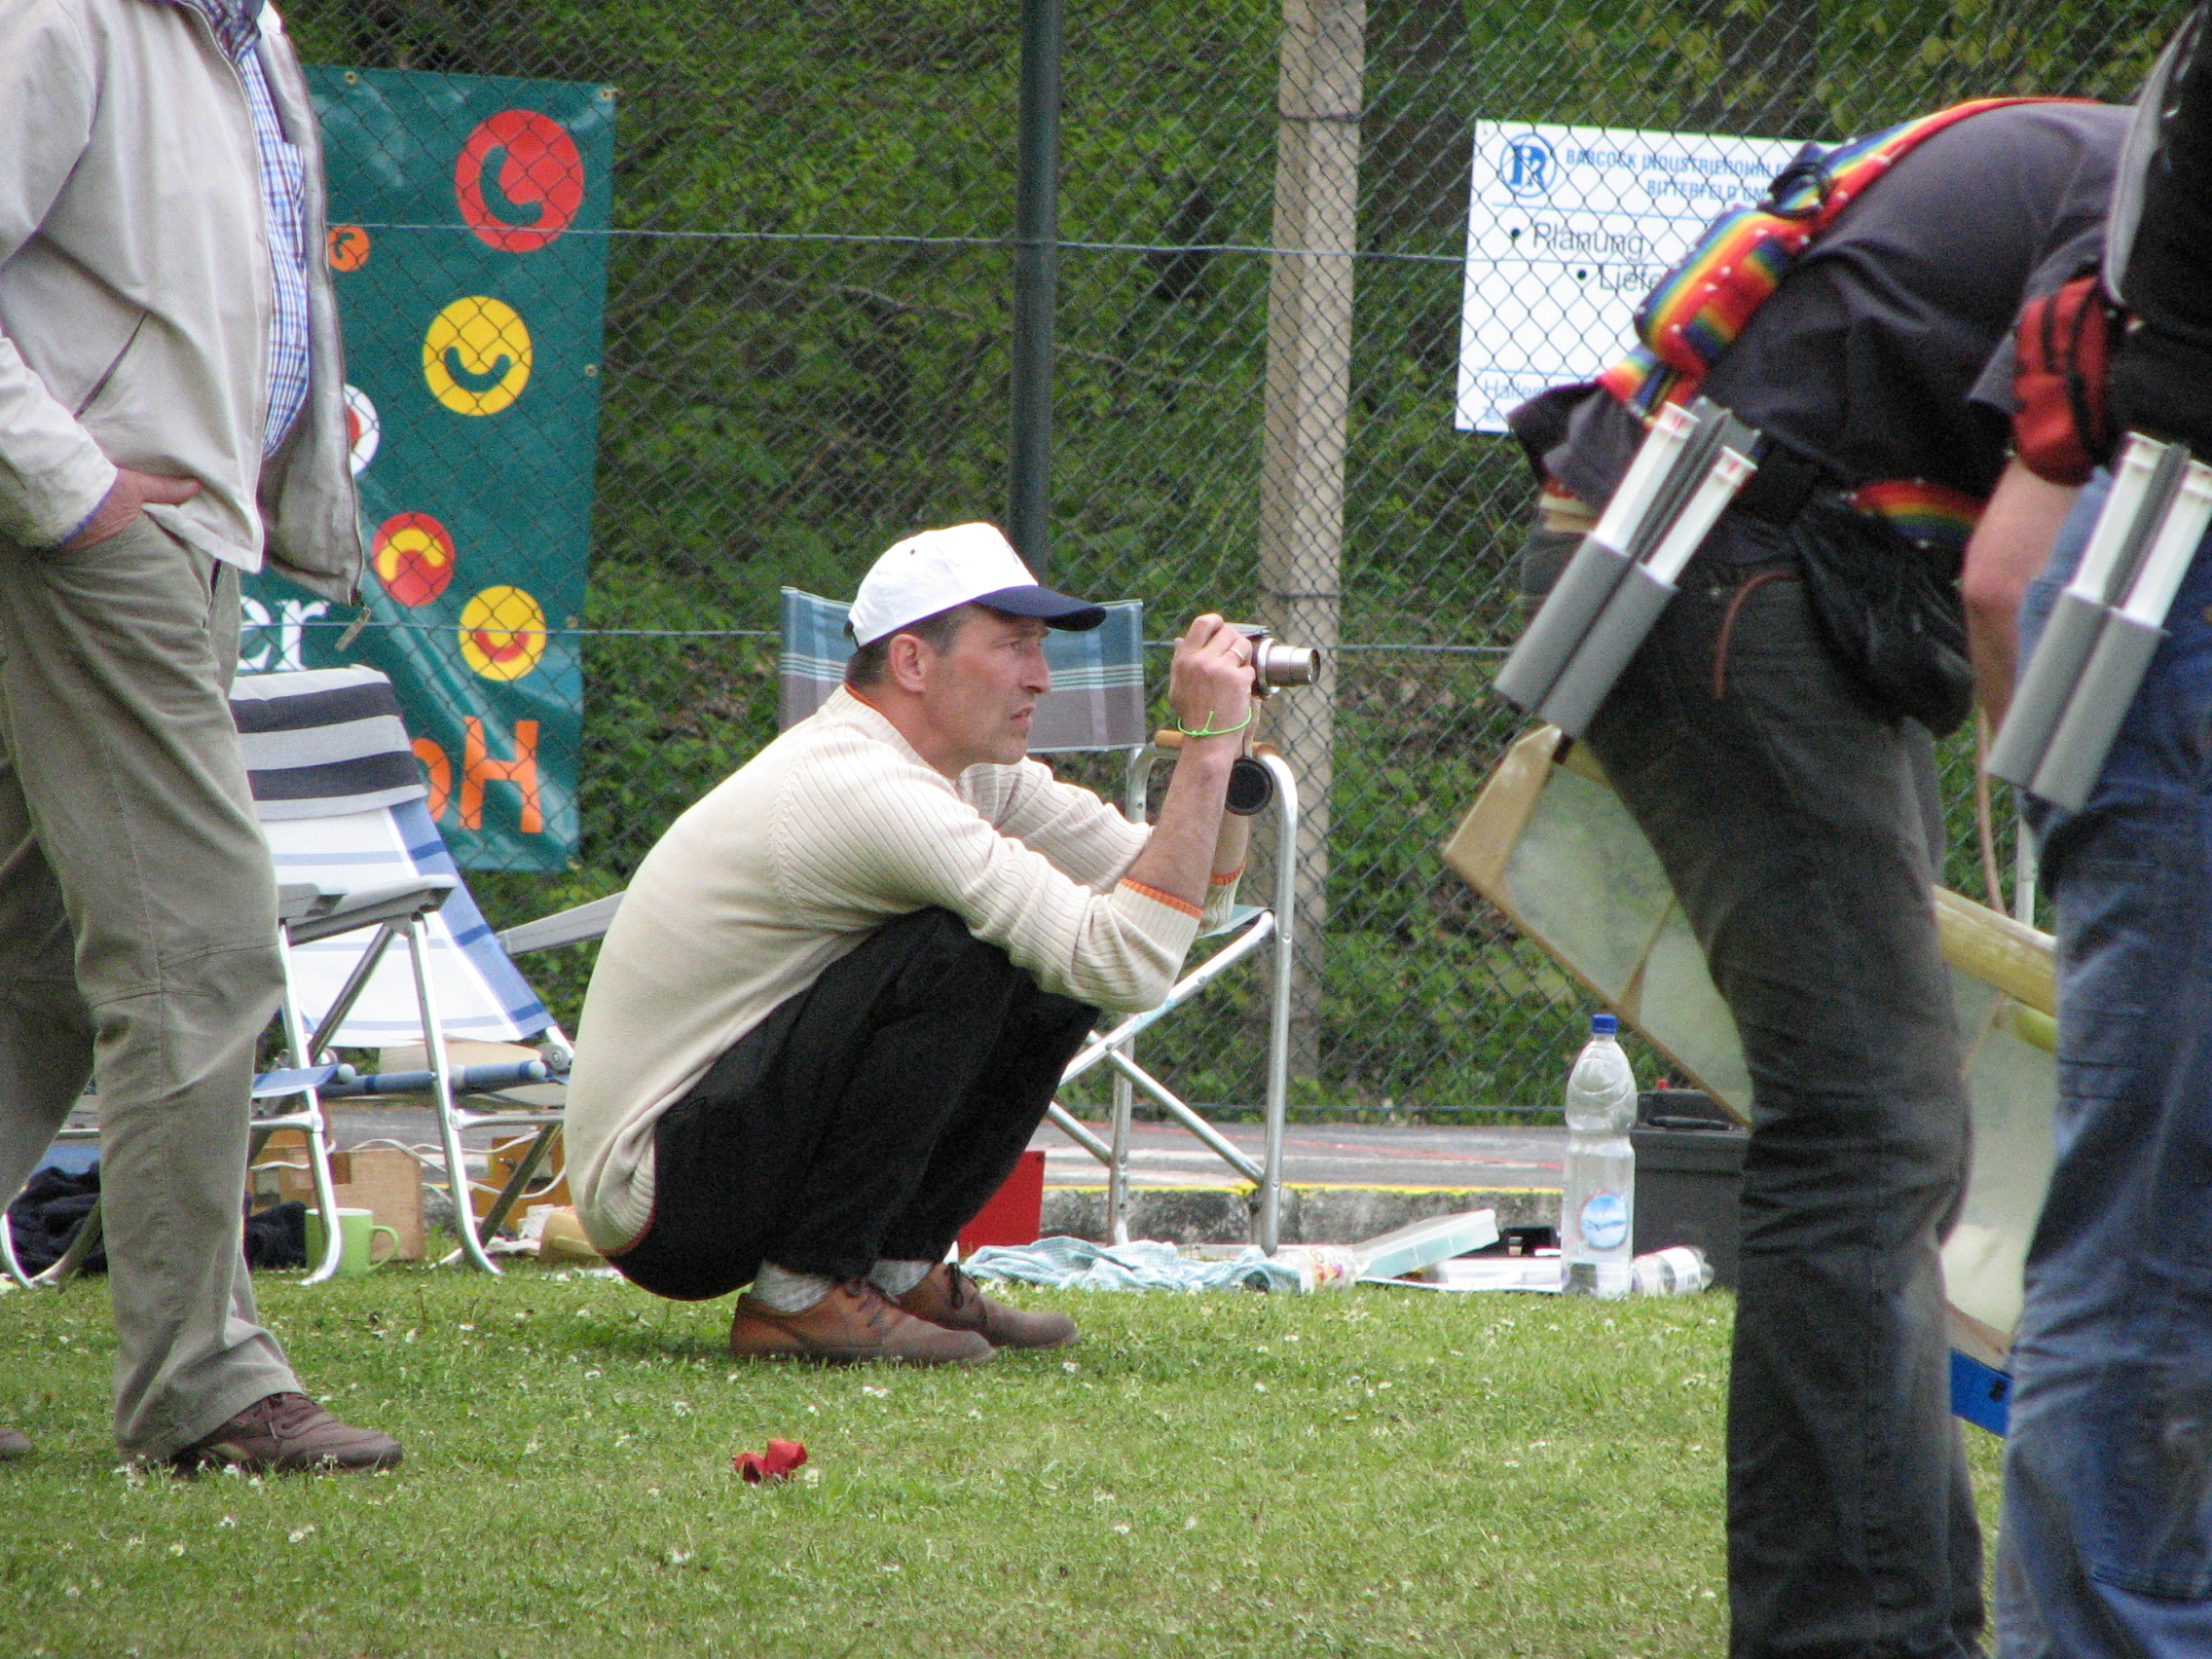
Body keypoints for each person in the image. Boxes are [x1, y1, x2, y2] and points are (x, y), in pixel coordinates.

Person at [1507, 98, 2125, 1657]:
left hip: (1753, 547)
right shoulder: (2159, 202)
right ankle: (1856, 1634)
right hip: (1727, 556)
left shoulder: (2122, 167)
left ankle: (1900, 1617)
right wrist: (2093, 850)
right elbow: (2014, 584)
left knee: (1890, 1127)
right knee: (1868, 1125)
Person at [563, 523, 1255, 1365]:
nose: (1042, 676)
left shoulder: (969, 771)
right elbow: (1128, 965)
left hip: (720, 1150)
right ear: (913, 662)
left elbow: (1193, 903)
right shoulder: (864, 783)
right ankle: (798, 1297)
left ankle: (896, 1271)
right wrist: (1204, 751)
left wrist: (1229, 747)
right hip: (661, 1202)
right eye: (1014, 646)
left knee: (1032, 964)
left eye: (1039, 646)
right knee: (960, 949)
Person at [0, 1, 395, 1471]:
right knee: (202, 945)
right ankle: (202, 1384)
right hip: (90, 539)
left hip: (170, 538)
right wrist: (69, 489)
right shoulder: (60, 17)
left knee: (32, 959)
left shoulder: (245, 33)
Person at [1960, 12, 2212, 1651]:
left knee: (2149, 1238)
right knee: (2153, 1253)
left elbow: (2005, 579)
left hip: (2151, 599)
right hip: (2176, 605)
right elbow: (1997, 577)